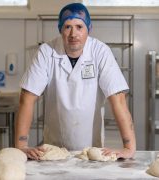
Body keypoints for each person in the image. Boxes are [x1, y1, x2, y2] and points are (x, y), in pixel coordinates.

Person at [15, 2, 136, 160]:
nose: (73, 34)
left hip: (92, 149)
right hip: (53, 148)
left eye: (79, 26)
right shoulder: (46, 52)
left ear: (88, 29)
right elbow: (27, 98)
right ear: (60, 30)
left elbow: (118, 100)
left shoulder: (100, 52)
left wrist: (129, 147)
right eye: (67, 27)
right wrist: (21, 145)